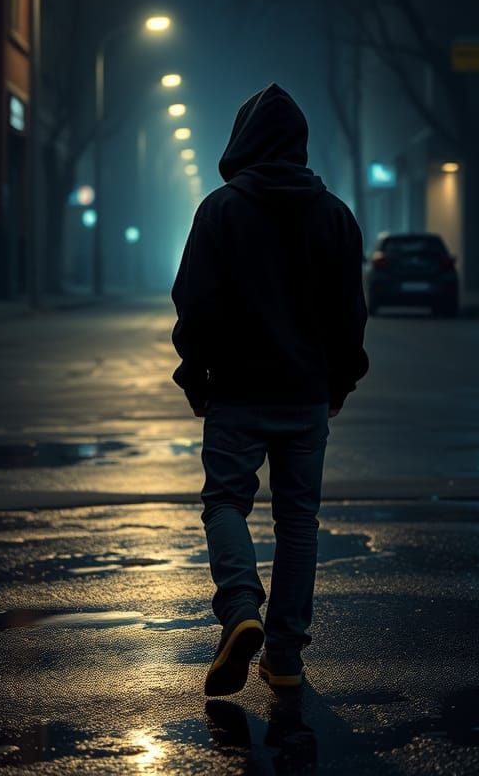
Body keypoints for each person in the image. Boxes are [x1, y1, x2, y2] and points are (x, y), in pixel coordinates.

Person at [171, 82, 368, 696]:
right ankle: (284, 658)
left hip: (236, 391)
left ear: (243, 141)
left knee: (226, 503)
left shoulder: (220, 210)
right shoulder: (335, 215)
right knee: (298, 521)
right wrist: (339, 381)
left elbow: (194, 302)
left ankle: (240, 609)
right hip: (305, 393)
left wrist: (195, 375)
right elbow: (350, 314)